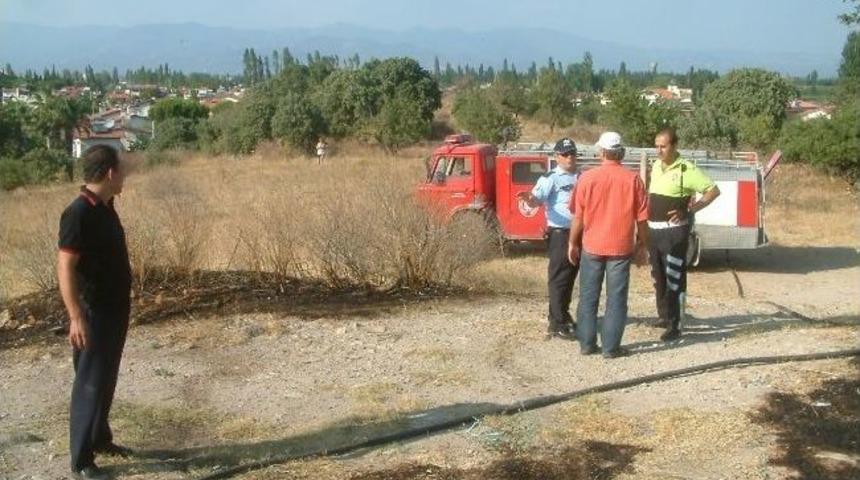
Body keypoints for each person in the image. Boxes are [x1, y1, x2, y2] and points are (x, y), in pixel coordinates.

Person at [58, 145, 134, 480]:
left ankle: (101, 439)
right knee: (90, 381)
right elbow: (66, 268)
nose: (125, 175)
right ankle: (82, 460)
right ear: (109, 173)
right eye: (122, 169)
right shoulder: (78, 212)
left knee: (106, 377)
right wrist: (76, 316)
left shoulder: (104, 206)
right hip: (93, 312)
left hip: (115, 308)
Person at [568, 132, 648, 358]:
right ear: (620, 152)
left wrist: (572, 243)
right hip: (620, 249)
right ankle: (611, 348)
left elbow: (578, 217)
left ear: (601, 152)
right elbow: (642, 219)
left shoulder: (587, 178)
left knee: (588, 297)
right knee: (616, 299)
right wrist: (643, 245)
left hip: (592, 246)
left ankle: (586, 344)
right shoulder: (633, 180)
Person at [648, 128, 720, 341]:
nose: (659, 150)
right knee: (658, 276)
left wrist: (689, 210)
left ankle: (675, 324)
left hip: (674, 233)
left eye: (663, 146)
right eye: (657, 146)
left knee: (674, 277)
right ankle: (664, 316)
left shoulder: (686, 169)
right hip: (654, 231)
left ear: (674, 146)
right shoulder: (656, 166)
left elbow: (713, 190)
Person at [517, 138, 580, 340]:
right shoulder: (550, 178)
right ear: (557, 156)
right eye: (565, 154)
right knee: (558, 278)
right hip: (560, 233)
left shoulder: (582, 176)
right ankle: (558, 322)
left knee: (570, 277)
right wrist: (529, 198)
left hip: (579, 233)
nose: (569, 157)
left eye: (572, 153)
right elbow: (537, 199)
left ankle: (560, 315)